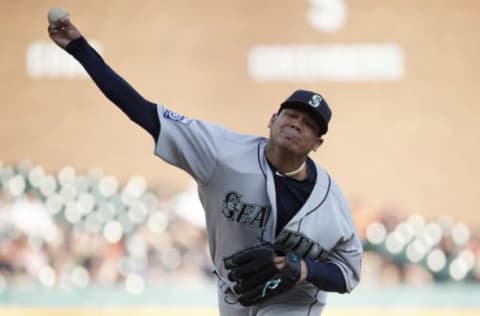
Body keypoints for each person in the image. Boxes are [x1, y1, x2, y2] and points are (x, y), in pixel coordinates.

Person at [48, 13, 362, 316]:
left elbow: (349, 274)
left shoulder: (329, 201)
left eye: (308, 124)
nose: (296, 124)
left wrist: (303, 268)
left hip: (295, 301)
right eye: (291, 115)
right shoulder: (221, 152)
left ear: (317, 144)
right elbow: (140, 110)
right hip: (233, 293)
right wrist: (80, 49)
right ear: (272, 119)